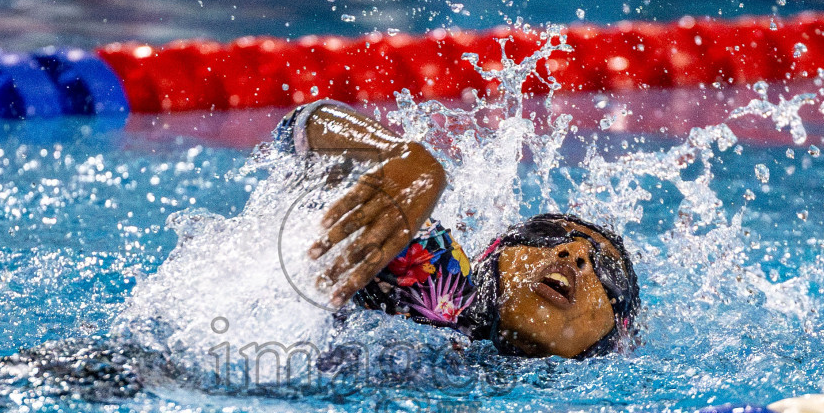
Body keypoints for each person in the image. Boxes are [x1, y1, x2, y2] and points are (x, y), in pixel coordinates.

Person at [275, 99, 641, 360]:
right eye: (548, 235)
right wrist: (399, 157)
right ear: (493, 253)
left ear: (617, 339)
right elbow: (296, 128)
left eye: (605, 267)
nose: (573, 253)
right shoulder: (438, 285)